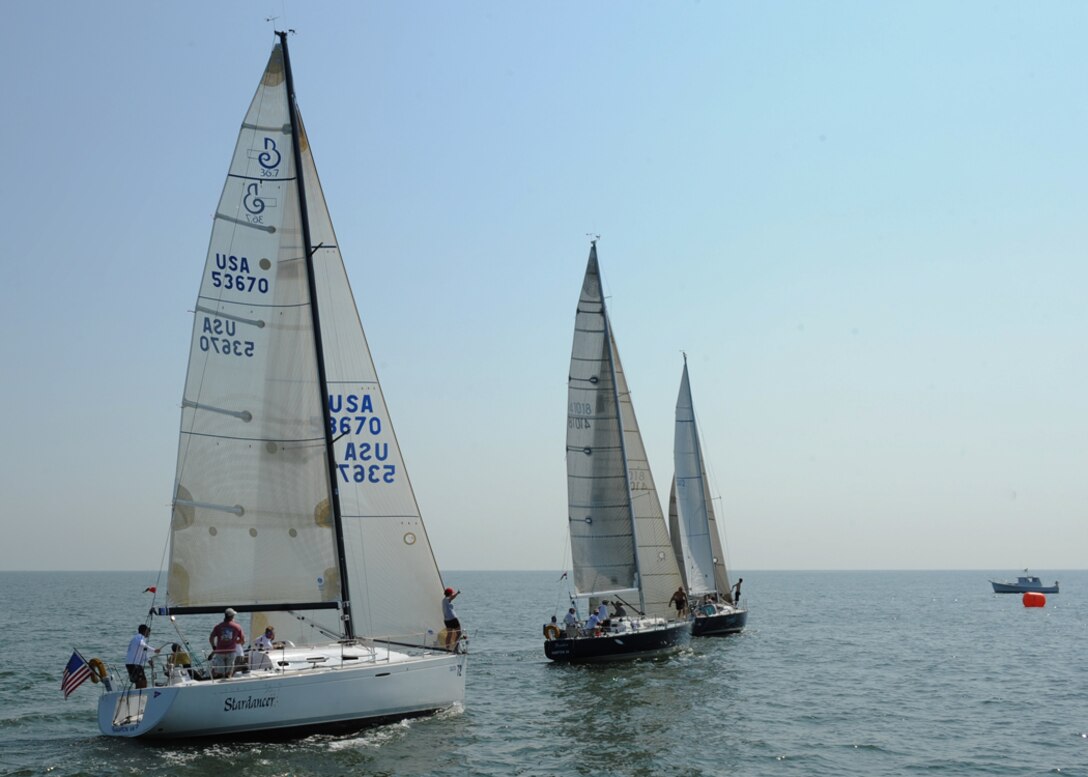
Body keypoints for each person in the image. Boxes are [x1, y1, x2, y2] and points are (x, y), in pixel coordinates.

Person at [209, 607, 246, 678]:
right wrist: (235, 641)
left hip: (220, 651)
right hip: (231, 651)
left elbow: (211, 638)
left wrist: (214, 647)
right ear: (232, 616)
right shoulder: (237, 627)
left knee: (220, 673)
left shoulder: (218, 626)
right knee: (228, 673)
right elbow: (242, 639)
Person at [125, 624, 160, 689]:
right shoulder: (139, 637)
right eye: (148, 632)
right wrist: (154, 650)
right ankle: (139, 696)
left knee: (141, 682)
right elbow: (142, 644)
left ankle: (138, 696)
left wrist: (149, 661)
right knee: (142, 682)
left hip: (132, 664)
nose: (149, 634)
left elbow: (144, 652)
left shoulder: (139, 639)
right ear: (145, 631)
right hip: (134, 664)